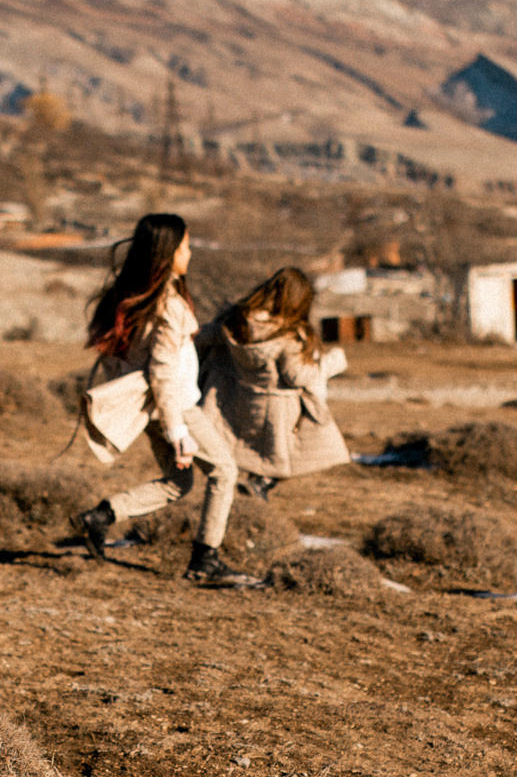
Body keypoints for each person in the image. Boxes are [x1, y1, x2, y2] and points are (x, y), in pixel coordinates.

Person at [71, 213, 248, 585]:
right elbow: (164, 372)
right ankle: (206, 559)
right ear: (167, 253)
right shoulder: (168, 305)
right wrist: (178, 429)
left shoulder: (129, 298)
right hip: (176, 407)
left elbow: (121, 359)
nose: (190, 253)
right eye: (184, 246)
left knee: (178, 482)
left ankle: (100, 518)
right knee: (224, 471)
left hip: (155, 409)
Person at [201, 266, 351, 498]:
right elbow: (298, 377)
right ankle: (261, 482)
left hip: (237, 401)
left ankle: (255, 484)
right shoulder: (288, 336)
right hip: (277, 414)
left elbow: (201, 337)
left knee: (240, 458)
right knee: (305, 448)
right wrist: (332, 363)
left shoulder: (235, 321)